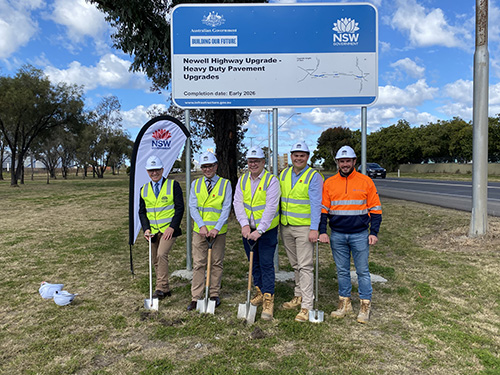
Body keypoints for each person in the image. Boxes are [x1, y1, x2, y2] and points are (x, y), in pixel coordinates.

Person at [319, 145, 382, 323]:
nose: (345, 164)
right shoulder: (329, 183)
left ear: (354, 161)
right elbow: (324, 210)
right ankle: (344, 303)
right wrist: (323, 231)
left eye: (348, 161)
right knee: (342, 271)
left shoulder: (366, 181)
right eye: (341, 161)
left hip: (360, 234)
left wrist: (374, 232)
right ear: (337, 163)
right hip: (337, 234)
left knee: (362, 271)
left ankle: (365, 305)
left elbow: (376, 209)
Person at [233, 146, 280, 321]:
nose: (253, 164)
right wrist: (245, 225)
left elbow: (271, 206)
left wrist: (260, 230)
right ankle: (260, 290)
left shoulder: (271, 181)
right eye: (250, 161)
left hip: (266, 231)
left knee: (267, 264)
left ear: (263, 162)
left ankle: (269, 299)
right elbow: (238, 202)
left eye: (256, 161)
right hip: (248, 231)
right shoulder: (243, 180)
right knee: (254, 264)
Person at [279, 141, 323, 322]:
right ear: (291, 156)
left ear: (307, 157)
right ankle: (298, 295)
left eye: (302, 155)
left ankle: (307, 305)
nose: (298, 158)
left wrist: (315, 228)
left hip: (305, 228)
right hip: (286, 225)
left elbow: (316, 204)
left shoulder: (314, 176)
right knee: (295, 264)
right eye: (295, 155)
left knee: (305, 266)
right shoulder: (284, 174)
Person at [187, 152, 232, 311]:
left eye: (210, 166)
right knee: (199, 263)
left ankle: (213, 294)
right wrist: (201, 226)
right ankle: (196, 297)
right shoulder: (196, 184)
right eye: (204, 166)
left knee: (216, 263)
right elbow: (193, 207)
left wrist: (216, 228)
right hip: (200, 231)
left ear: (216, 166)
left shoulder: (225, 184)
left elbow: (226, 208)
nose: (207, 169)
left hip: (217, 232)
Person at [139, 155, 184, 300]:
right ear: (147, 171)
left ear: (162, 170)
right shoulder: (143, 189)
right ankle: (165, 289)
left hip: (168, 230)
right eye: (151, 170)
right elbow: (142, 212)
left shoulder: (173, 185)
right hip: (152, 232)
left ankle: (159, 288)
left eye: (157, 170)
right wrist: (146, 229)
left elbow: (179, 208)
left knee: (161, 254)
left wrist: (172, 227)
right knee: (155, 260)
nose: (154, 173)